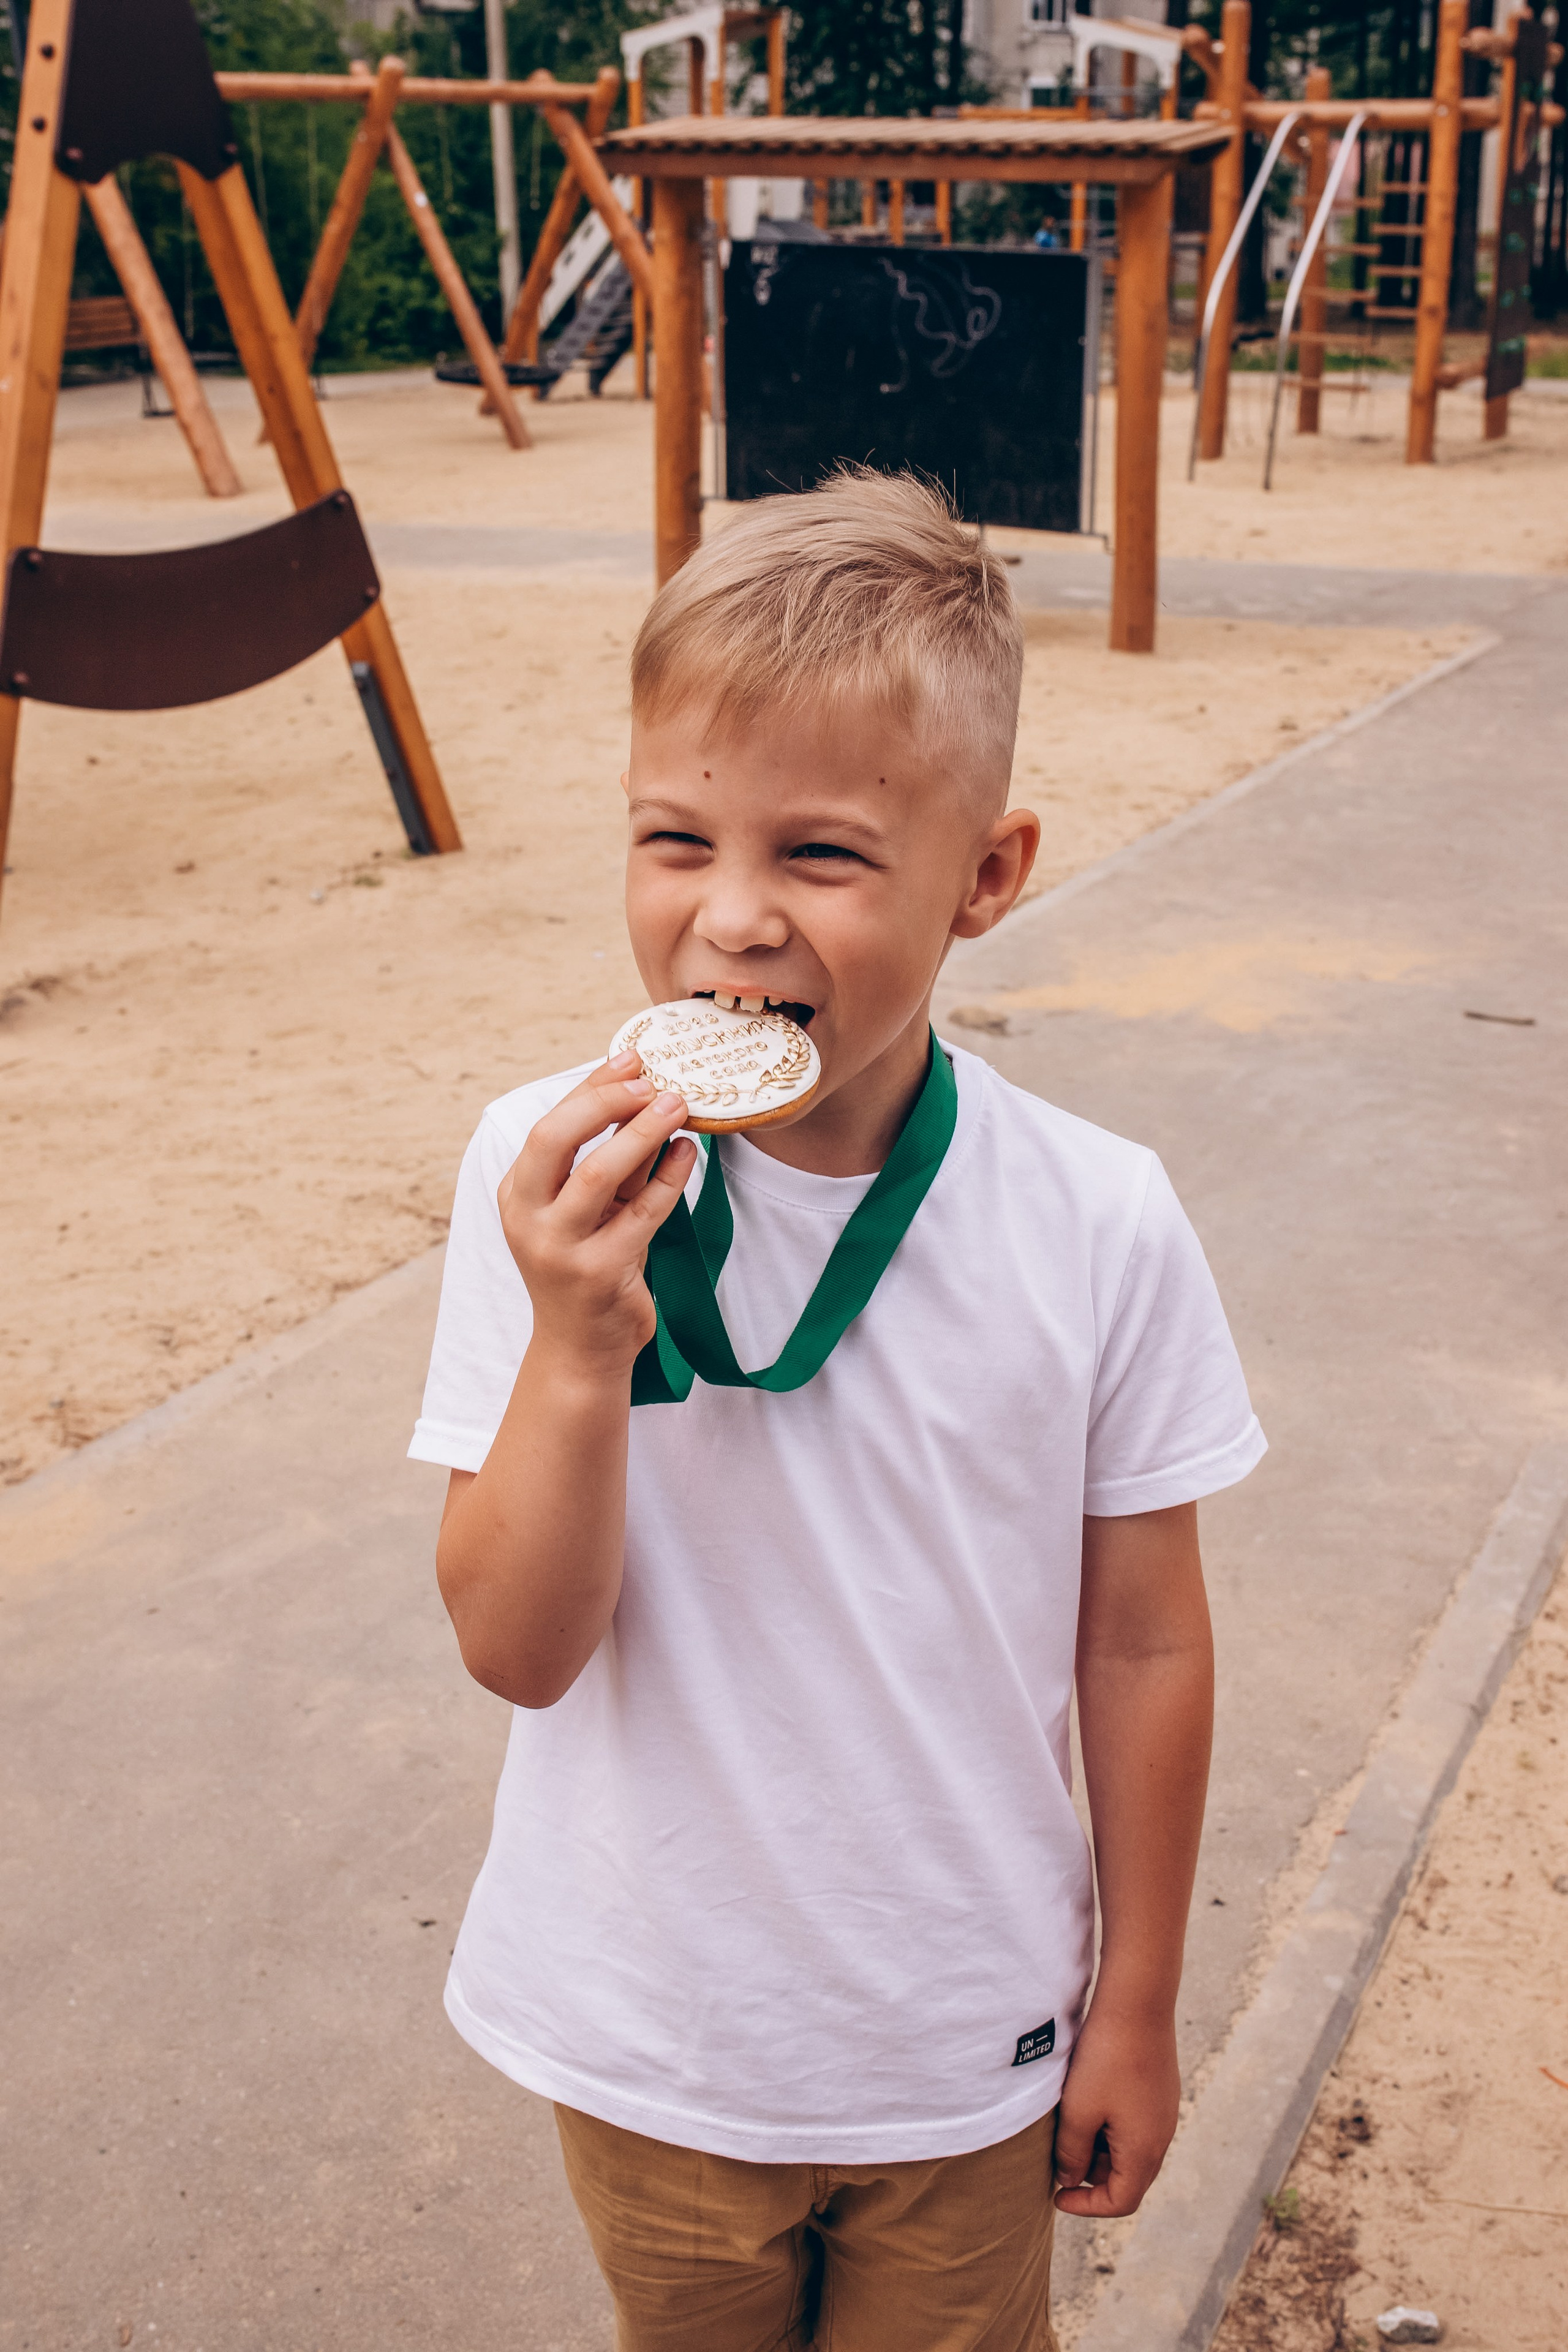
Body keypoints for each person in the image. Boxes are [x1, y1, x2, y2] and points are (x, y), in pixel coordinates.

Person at [410, 469, 1265, 2351]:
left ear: (988, 875)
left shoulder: (1095, 1218)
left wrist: (1138, 1998)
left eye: (822, 856)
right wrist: (575, 1339)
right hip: (651, 2030)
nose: (730, 923)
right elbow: (515, 1649)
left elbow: (1142, 1641)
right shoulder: (538, 1179)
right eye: (671, 840)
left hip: (963, 2032)